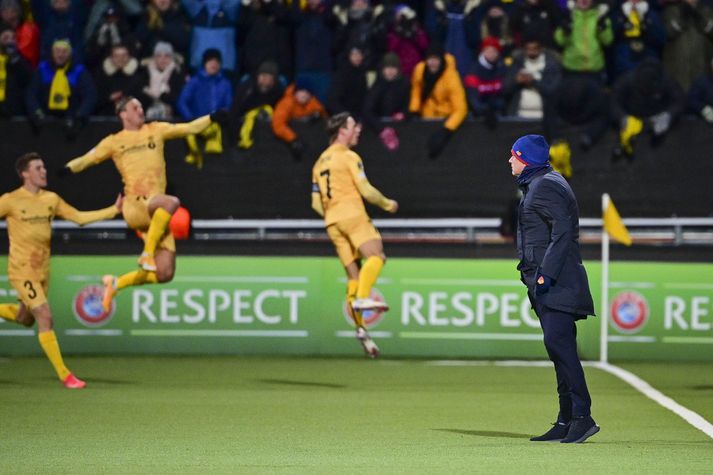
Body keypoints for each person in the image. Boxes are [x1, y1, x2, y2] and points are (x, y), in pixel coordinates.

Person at [59, 96, 225, 311]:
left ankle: (115, 284)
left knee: (165, 274)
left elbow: (190, 128)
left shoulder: (156, 129)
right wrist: (67, 169)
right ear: (123, 114)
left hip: (155, 211)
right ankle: (147, 253)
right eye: (135, 107)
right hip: (135, 205)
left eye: (141, 107)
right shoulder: (114, 141)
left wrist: (212, 118)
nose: (140, 110)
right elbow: (87, 159)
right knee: (172, 202)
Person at [0, 152, 122, 389]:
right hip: (21, 270)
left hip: (43, 271)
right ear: (25, 173)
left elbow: (78, 218)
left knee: (25, 319)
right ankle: (65, 375)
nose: (43, 171)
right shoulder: (10, 200)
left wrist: (113, 210)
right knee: (45, 316)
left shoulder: (51, 199)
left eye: (44, 167)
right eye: (38, 168)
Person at [508, 134, 598, 444]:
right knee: (557, 349)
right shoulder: (543, 182)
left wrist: (544, 275)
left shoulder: (545, 185)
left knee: (561, 348)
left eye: (513, 155)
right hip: (547, 282)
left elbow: (563, 233)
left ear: (525, 159)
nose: (509, 160)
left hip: (556, 283)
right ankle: (566, 419)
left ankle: (583, 417)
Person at [311, 112, 398, 358]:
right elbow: (366, 190)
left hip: (332, 222)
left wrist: (333, 214)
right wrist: (387, 204)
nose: (357, 129)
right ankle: (362, 300)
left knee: (353, 274)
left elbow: (315, 202)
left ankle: (360, 327)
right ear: (341, 131)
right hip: (352, 214)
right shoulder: (349, 156)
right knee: (377, 256)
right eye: (353, 126)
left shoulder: (319, 163)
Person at [25, 39, 97, 140]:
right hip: (43, 126)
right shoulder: (42, 69)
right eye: (57, 51)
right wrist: (37, 114)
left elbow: (90, 96)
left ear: (70, 53)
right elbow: (31, 95)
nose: (60, 55)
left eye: (64, 51)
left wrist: (79, 117)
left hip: (72, 127)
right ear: (52, 52)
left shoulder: (80, 71)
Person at [409, 43, 467, 159]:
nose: (433, 63)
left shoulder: (451, 77)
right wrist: (414, 110)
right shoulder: (420, 70)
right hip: (426, 118)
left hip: (446, 119)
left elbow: (461, 109)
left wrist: (447, 129)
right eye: (430, 59)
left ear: (441, 60)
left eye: (436, 59)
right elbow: (416, 90)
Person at [177, 48, 232, 167]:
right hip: (197, 125)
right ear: (204, 63)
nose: (214, 64)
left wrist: (221, 117)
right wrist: (191, 118)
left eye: (217, 62)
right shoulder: (195, 81)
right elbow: (182, 102)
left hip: (217, 127)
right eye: (210, 61)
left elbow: (228, 104)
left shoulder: (225, 83)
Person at [272, 77, 327, 161]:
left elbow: (323, 114)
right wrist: (293, 139)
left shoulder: (312, 102)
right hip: (287, 142)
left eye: (307, 92)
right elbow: (278, 125)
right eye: (301, 91)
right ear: (296, 92)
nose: (304, 94)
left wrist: (318, 115)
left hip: (308, 141)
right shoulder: (287, 103)